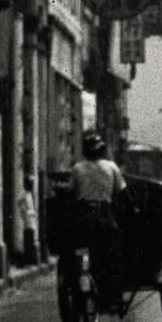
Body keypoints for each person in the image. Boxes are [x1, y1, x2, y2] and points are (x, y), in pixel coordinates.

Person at [70, 130, 127, 310]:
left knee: (81, 252)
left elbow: (72, 193)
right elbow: (121, 192)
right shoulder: (111, 167)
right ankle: (113, 295)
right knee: (112, 255)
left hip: (84, 216)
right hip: (105, 215)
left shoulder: (77, 169)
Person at [17, 176, 40, 267]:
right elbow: (20, 205)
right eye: (30, 184)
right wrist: (26, 213)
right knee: (27, 240)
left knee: (30, 239)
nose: (31, 185)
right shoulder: (24, 194)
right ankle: (26, 260)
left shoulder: (29, 194)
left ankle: (29, 260)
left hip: (31, 221)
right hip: (27, 221)